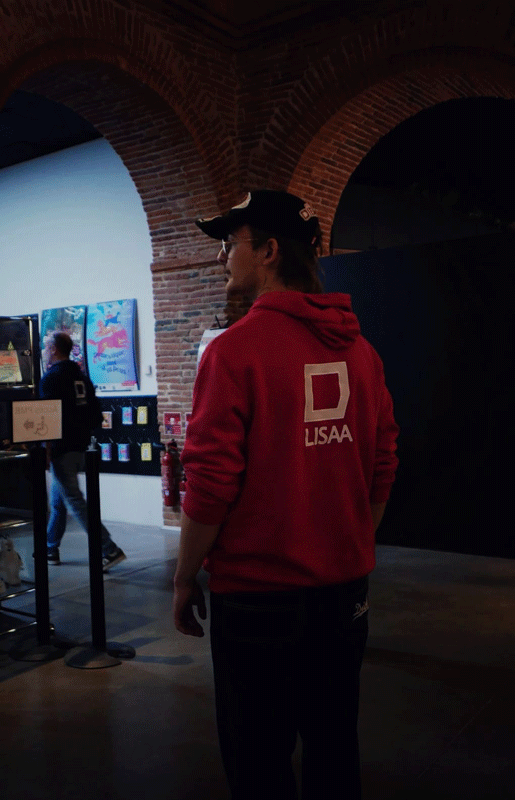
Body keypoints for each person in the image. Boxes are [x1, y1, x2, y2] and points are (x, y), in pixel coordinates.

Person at [173, 190, 399, 800]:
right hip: (344, 595)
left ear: (269, 251)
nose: (223, 257)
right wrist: (347, 544)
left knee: (258, 761)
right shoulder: (363, 353)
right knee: (334, 749)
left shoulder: (233, 352)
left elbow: (211, 484)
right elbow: (382, 466)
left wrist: (184, 577)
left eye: (231, 243)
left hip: (258, 599)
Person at [39, 332, 126, 572]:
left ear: (54, 349)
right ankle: (50, 547)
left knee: (75, 502)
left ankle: (109, 549)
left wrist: (46, 450)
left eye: (46, 347)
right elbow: (96, 416)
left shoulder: (51, 379)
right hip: (81, 448)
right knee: (59, 501)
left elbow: (47, 419)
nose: (44, 352)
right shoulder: (82, 377)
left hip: (62, 450)